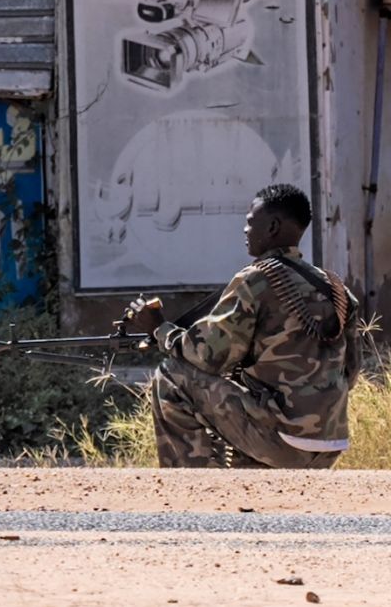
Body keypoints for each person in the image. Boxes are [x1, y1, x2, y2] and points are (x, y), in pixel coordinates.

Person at [124, 184, 359, 468]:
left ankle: (189, 489)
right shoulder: (336, 288)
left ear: (272, 226)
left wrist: (159, 328)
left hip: (280, 439)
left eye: (250, 222)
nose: (245, 230)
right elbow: (351, 371)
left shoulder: (256, 280)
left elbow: (206, 356)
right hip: (329, 444)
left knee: (172, 376)